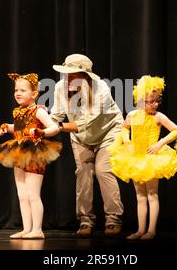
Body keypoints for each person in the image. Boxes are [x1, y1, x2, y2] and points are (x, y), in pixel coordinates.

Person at [51, 54, 124, 237]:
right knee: (83, 172)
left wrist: (57, 127)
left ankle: (113, 219)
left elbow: (86, 122)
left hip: (108, 132)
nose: (67, 78)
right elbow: (57, 115)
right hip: (80, 137)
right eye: (66, 74)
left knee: (102, 170)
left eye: (73, 75)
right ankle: (85, 220)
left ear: (85, 77)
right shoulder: (60, 87)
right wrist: (40, 123)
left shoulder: (101, 90)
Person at [108, 75, 177, 239]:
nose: (155, 104)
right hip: (136, 157)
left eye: (157, 100)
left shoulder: (159, 116)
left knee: (152, 194)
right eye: (150, 101)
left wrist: (160, 144)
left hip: (151, 158)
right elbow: (124, 129)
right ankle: (140, 230)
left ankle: (151, 230)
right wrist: (126, 139)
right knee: (140, 196)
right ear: (140, 99)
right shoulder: (132, 115)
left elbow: (176, 131)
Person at [0, 73, 62, 239]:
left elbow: (54, 127)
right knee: (22, 194)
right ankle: (27, 229)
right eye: (16, 90)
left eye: (22, 90)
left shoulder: (38, 111)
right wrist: (8, 128)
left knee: (32, 193)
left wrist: (41, 131)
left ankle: (37, 230)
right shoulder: (18, 111)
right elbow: (19, 128)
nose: (18, 93)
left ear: (34, 94)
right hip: (18, 151)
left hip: (34, 152)